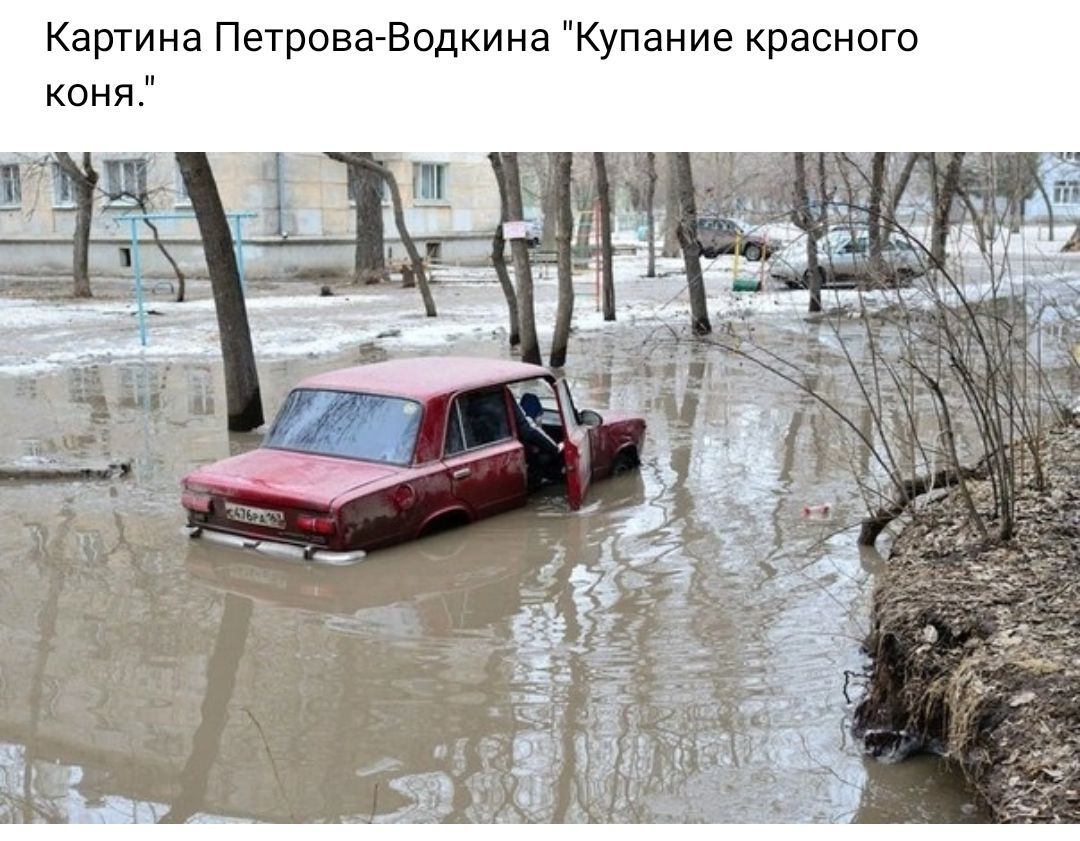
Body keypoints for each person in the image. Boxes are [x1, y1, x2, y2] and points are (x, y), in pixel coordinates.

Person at [514, 392, 563, 489]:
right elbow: (551, 447)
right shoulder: (528, 427)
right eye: (540, 414)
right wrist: (559, 447)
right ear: (538, 414)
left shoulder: (515, 422)